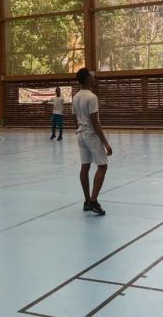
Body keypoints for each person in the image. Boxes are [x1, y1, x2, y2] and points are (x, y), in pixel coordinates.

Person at [72, 68, 112, 216]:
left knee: (85, 166)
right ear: (87, 79)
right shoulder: (92, 97)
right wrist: (106, 143)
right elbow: (95, 123)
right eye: (91, 76)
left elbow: (75, 117)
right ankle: (93, 201)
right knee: (102, 166)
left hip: (80, 134)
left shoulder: (76, 97)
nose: (93, 78)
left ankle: (87, 200)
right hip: (90, 135)